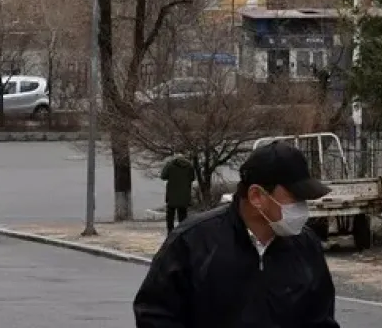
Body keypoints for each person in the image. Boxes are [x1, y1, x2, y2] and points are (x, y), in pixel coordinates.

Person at [133, 141, 340, 328]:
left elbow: (321, 319)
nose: (301, 208)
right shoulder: (192, 243)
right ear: (257, 196)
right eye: (295, 198)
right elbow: (155, 315)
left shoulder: (306, 246)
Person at [159, 154, 195, 233]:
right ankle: (182, 233)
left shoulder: (170, 165)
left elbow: (163, 176)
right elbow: (192, 178)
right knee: (183, 216)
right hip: (184, 196)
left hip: (172, 195)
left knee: (170, 217)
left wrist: (167, 165)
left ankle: (170, 233)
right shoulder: (189, 166)